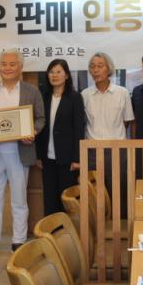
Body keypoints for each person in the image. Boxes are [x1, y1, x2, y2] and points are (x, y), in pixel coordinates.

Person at [0, 49, 45, 260]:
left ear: (20, 67)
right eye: (4, 64)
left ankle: (18, 240)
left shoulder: (31, 91)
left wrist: (33, 132)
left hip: (20, 153)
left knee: (19, 199)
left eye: (12, 64)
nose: (7, 68)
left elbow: (40, 118)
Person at [81, 52, 134, 217]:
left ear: (109, 69)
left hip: (118, 151)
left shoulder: (122, 92)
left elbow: (127, 121)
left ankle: (121, 227)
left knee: (119, 192)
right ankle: (98, 230)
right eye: (92, 66)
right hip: (92, 151)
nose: (95, 70)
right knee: (95, 195)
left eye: (100, 66)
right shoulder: (84, 95)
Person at [36, 59, 85, 216]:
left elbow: (79, 129)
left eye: (58, 72)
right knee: (49, 199)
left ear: (67, 75)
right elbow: (39, 127)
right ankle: (52, 230)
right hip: (47, 158)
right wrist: (39, 155)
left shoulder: (75, 97)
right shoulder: (43, 97)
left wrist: (77, 158)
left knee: (66, 199)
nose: (54, 75)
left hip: (67, 159)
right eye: (51, 72)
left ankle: (67, 230)